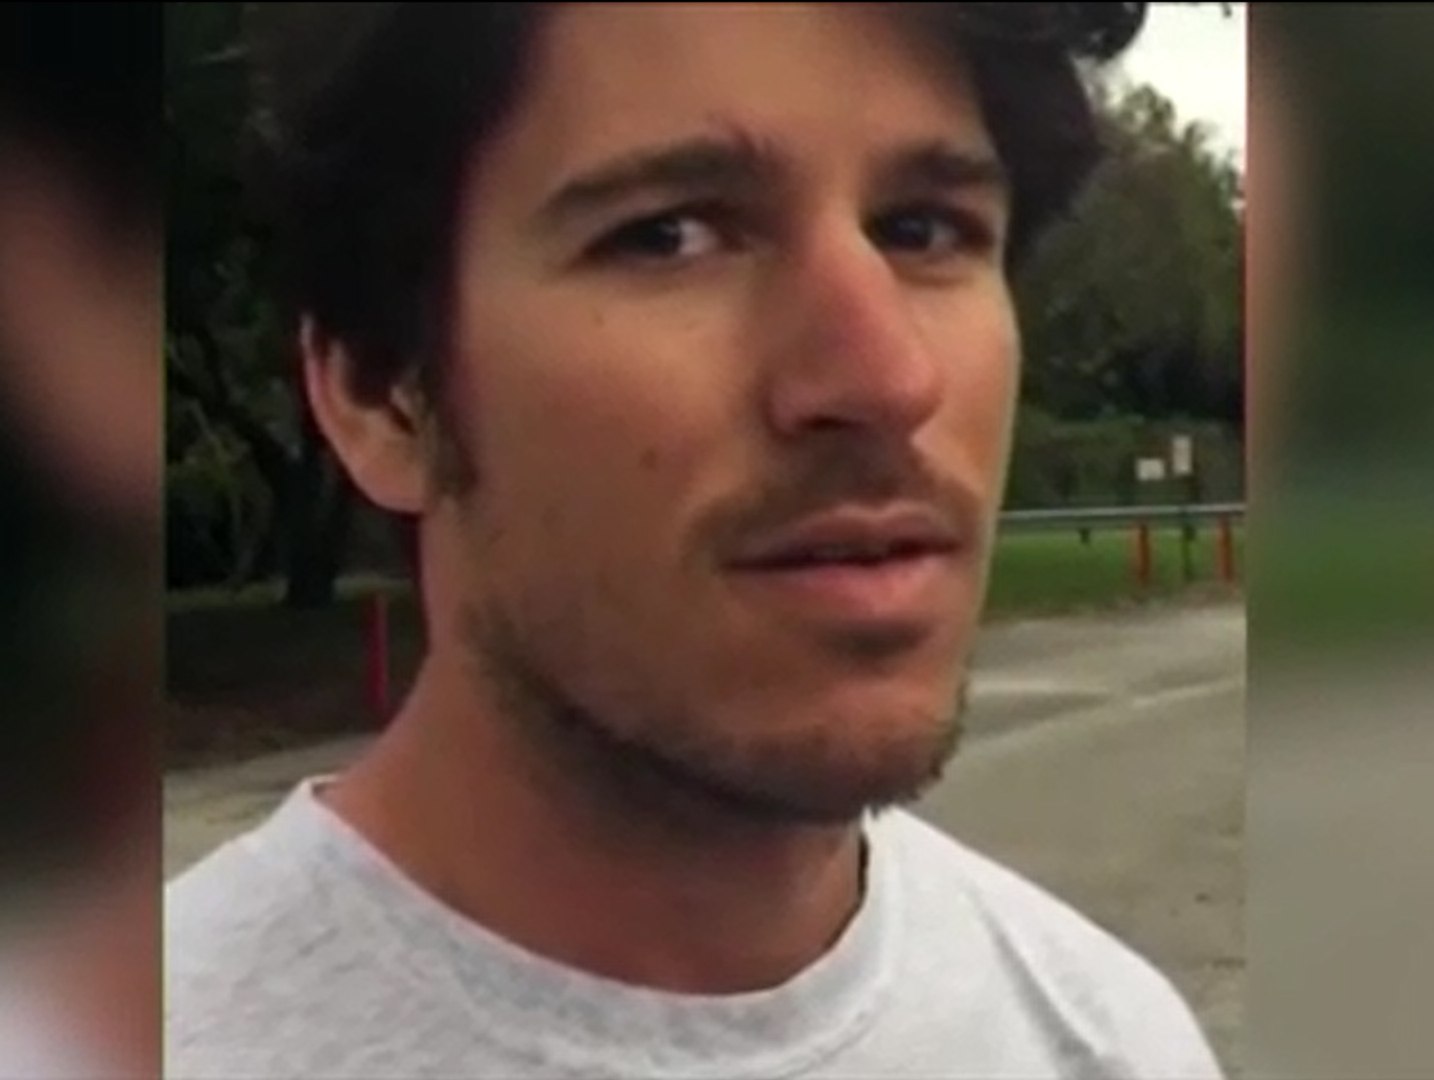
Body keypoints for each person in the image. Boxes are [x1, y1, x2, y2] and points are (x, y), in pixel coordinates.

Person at [166, 4, 1224, 1077]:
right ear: (384, 396)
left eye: (922, 230)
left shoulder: (1109, 1043)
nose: (887, 377)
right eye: (669, 235)